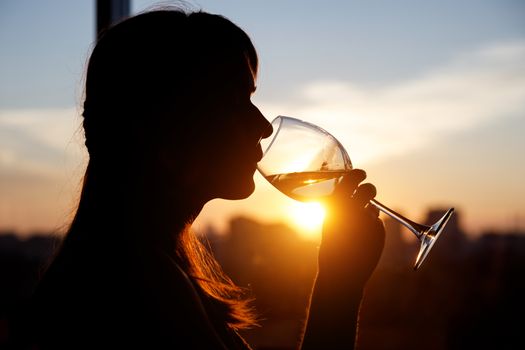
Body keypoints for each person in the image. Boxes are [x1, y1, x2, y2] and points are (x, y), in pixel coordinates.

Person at [18, 7, 385, 350]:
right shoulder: (133, 286)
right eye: (235, 102)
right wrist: (339, 287)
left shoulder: (126, 263)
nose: (260, 126)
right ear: (169, 124)